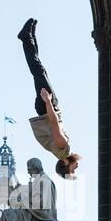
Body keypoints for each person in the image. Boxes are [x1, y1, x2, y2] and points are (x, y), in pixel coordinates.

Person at [18, 18, 81, 179]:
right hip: (45, 108)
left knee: (38, 71)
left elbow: (54, 124)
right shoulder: (60, 151)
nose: (77, 167)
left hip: (47, 107)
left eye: (73, 170)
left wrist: (47, 101)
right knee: (40, 71)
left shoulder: (63, 148)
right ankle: (30, 36)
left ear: (66, 164)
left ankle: (26, 38)